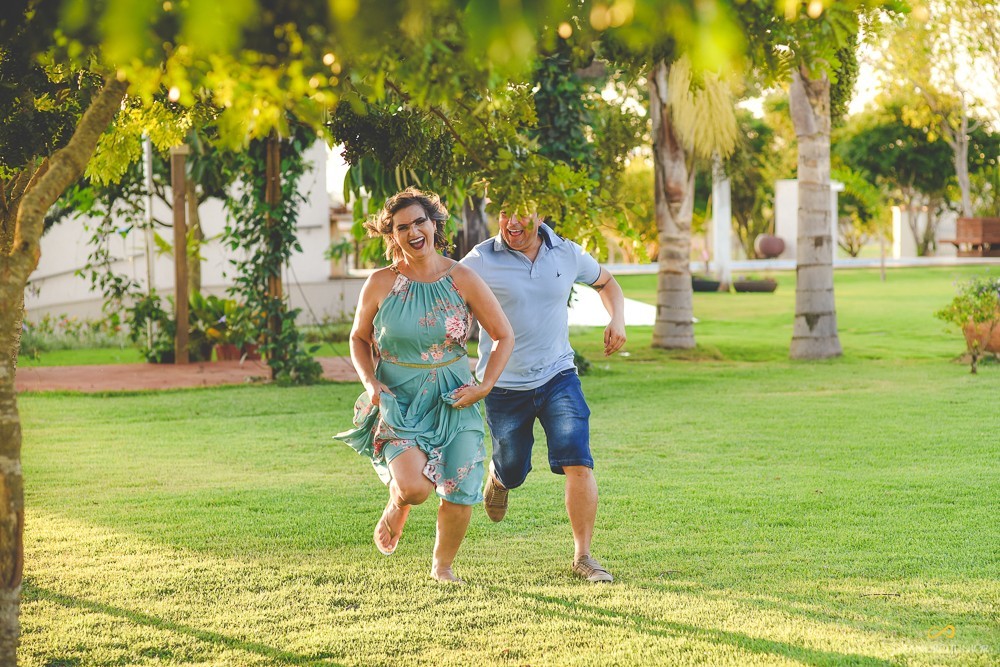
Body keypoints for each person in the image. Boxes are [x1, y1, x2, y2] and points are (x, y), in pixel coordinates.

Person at [335, 188, 514, 584]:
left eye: (420, 222)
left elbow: (504, 335)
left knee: (460, 486)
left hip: (454, 396)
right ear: (392, 236)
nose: (413, 232)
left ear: (434, 225)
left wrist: (484, 386)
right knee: (415, 488)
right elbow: (358, 338)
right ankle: (399, 501)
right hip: (400, 398)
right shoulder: (381, 283)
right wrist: (371, 383)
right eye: (402, 227)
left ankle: (443, 566)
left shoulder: (463, 278)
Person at [460, 204, 626, 583]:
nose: (512, 222)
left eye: (521, 213)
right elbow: (449, 299)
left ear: (541, 214)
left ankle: (583, 556)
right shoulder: (481, 260)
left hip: (558, 375)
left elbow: (607, 283)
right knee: (515, 469)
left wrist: (616, 318)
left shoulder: (566, 252)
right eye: (503, 213)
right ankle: (500, 477)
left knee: (578, 459)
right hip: (504, 385)